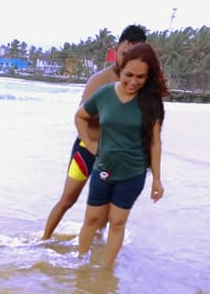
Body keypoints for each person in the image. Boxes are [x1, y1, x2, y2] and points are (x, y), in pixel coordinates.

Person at [41, 24, 147, 241]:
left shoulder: (139, 85)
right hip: (87, 150)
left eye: (133, 55)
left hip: (116, 157)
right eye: (124, 54)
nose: (127, 60)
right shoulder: (100, 81)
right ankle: (43, 240)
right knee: (67, 200)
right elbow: (80, 118)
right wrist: (91, 144)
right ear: (116, 49)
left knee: (106, 209)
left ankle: (95, 247)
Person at [75, 42, 169, 268]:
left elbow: (155, 142)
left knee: (117, 224)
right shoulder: (105, 94)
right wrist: (89, 143)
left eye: (141, 77)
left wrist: (156, 179)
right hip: (104, 169)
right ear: (121, 69)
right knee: (91, 220)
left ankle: (106, 273)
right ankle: (79, 266)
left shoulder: (151, 103)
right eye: (129, 75)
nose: (134, 81)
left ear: (149, 77)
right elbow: (80, 117)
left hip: (133, 173)